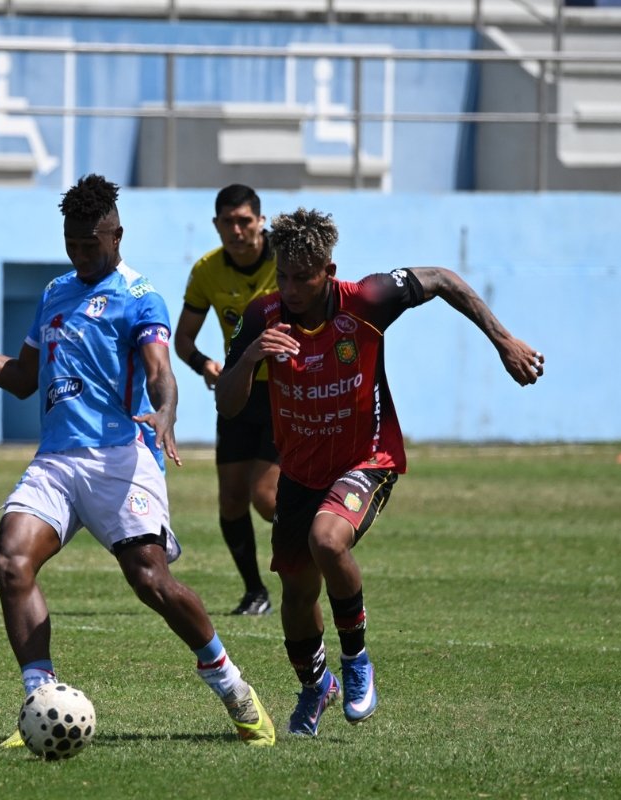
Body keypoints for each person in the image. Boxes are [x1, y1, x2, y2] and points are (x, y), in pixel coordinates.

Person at [0, 174, 276, 747]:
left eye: (91, 244)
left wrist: (166, 413)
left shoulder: (139, 295)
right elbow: (22, 380)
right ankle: (40, 698)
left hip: (119, 457)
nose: (80, 255)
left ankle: (233, 688)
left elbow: (160, 369)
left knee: (150, 579)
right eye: (72, 244)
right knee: (10, 563)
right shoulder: (55, 293)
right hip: (56, 461)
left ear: (117, 234)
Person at [215, 207, 544, 737]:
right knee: (297, 600)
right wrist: (251, 355)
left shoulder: (366, 301)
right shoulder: (261, 317)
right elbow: (228, 406)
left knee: (328, 539)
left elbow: (441, 280)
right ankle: (316, 686)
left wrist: (503, 340)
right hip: (299, 472)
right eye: (284, 276)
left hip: (366, 459)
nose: (292, 288)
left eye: (304, 277)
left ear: (329, 269)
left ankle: (356, 658)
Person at [174, 184, 280, 617]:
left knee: (265, 496)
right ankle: (255, 592)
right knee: (232, 500)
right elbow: (183, 339)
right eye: (228, 222)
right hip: (238, 392)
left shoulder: (286, 261)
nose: (236, 230)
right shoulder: (207, 272)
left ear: (261, 221)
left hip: (285, 393)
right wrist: (203, 364)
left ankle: (318, 550)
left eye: (244, 221)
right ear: (217, 225)